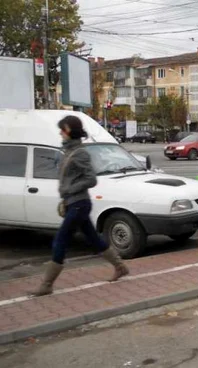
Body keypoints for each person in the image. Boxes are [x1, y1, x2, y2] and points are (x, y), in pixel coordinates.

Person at [31, 116, 130, 297]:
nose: (60, 132)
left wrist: (69, 189)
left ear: (69, 131)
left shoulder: (80, 153)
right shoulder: (68, 151)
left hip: (79, 204)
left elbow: (91, 179)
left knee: (60, 240)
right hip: (72, 204)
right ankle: (120, 266)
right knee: (93, 238)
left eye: (62, 129)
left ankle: (47, 284)